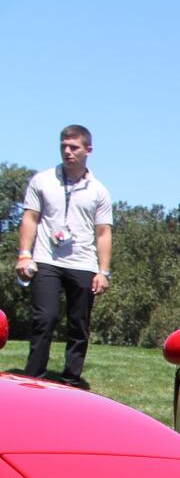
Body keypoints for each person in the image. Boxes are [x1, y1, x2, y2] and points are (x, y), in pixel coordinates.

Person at [15, 125, 112, 388]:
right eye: (63, 146)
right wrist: (24, 254)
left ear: (88, 150)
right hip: (46, 258)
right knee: (44, 318)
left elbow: (103, 232)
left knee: (79, 324)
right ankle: (33, 377)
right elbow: (30, 218)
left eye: (74, 147)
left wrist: (103, 271)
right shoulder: (42, 180)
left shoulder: (99, 191)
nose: (67, 152)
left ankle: (71, 380)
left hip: (83, 262)